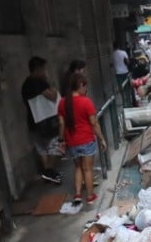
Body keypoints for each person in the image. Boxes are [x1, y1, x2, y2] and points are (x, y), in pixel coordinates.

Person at [58, 66, 106, 206]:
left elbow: (61, 124)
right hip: (86, 140)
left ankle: (78, 195)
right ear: (80, 85)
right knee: (88, 169)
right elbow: (94, 123)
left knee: (78, 167)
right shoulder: (86, 102)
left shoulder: (62, 103)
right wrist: (102, 138)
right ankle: (90, 196)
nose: (86, 90)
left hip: (71, 141)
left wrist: (61, 140)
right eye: (85, 87)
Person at [20, 56, 62, 185]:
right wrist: (53, 88)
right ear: (38, 68)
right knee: (54, 146)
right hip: (47, 122)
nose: (45, 71)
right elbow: (52, 96)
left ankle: (47, 174)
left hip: (33, 121)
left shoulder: (25, 84)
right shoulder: (40, 82)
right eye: (44, 68)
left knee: (41, 149)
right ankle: (49, 171)